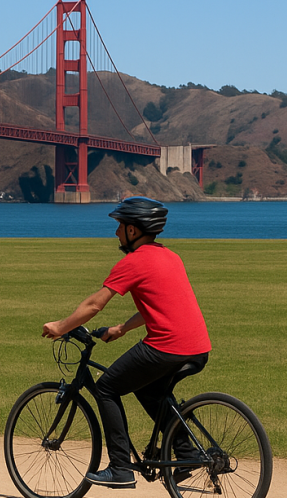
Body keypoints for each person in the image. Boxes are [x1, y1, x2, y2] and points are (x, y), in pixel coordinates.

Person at [42, 196, 211, 489]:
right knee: (148, 389)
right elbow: (159, 306)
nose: (116, 232)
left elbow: (95, 304)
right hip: (198, 347)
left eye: (120, 226)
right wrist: (121, 328)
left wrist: (60, 326)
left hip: (166, 347)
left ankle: (120, 467)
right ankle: (186, 453)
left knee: (106, 387)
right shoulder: (171, 256)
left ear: (133, 230)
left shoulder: (133, 262)